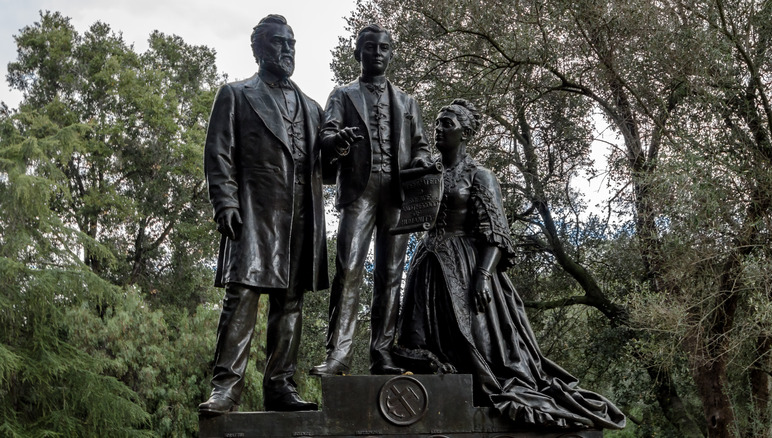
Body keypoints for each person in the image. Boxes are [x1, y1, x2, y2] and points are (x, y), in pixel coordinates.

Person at [395, 99, 626, 429]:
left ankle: (478, 402)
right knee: (422, 343)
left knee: (476, 343)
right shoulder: (427, 172)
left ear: (467, 133)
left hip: (466, 265)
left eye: (448, 124)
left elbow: (496, 233)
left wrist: (483, 275)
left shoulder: (480, 176)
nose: (439, 129)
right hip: (427, 265)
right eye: (437, 123)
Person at [199, 14, 328, 415]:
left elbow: (330, 172)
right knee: (243, 296)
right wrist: (225, 202)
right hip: (255, 211)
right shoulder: (236, 95)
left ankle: (280, 386)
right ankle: (226, 388)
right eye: (277, 43)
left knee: (291, 303)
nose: (286, 50)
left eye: (291, 43)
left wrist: (337, 149)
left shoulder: (312, 107)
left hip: (301, 216)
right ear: (257, 49)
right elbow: (218, 154)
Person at [310, 24, 432, 376]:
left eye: (383, 48)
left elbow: (420, 144)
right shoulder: (343, 95)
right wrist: (339, 141)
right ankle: (339, 355)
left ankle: (382, 353)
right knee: (348, 270)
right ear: (357, 53)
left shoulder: (408, 102)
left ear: (391, 54)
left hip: (396, 194)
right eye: (370, 48)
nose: (377, 54)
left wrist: (423, 160)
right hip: (359, 191)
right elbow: (326, 137)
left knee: (391, 274)